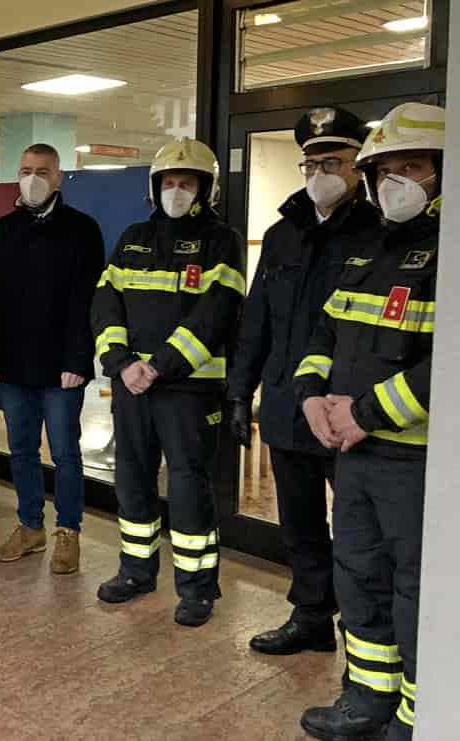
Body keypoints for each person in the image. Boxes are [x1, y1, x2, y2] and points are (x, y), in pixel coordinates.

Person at [296, 102, 443, 741]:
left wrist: (363, 413)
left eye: (411, 167)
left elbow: (447, 364)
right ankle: (367, 700)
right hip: (353, 455)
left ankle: (417, 716)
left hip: (417, 462)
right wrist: (309, 394)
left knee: (415, 593)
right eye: (384, 170)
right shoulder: (368, 251)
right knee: (358, 576)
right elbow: (324, 332)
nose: (394, 182)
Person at [227, 107, 376, 656]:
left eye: (332, 161)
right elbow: (256, 323)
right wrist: (240, 393)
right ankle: (311, 615)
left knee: (363, 533)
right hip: (290, 408)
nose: (319, 174)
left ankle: (366, 634)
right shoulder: (281, 235)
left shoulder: (380, 234)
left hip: (353, 414)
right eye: (310, 163)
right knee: (301, 524)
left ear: (359, 167)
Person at [91, 137, 245, 627]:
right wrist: (120, 364)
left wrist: (158, 366)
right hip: (132, 386)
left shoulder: (221, 241)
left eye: (187, 182)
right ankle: (136, 571)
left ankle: (198, 587)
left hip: (188, 391)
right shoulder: (133, 237)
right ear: (155, 187)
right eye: (169, 183)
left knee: (187, 488)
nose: (177, 191)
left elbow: (216, 314)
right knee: (132, 480)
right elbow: (106, 302)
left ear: (205, 189)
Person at [0, 143, 104, 575]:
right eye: (26, 169)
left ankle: (68, 531)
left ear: (59, 177)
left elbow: (86, 301)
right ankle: (29, 526)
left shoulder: (82, 230)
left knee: (66, 452)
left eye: (43, 171)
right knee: (21, 450)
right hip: (13, 364)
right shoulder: (3, 229)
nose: (33, 178)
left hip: (62, 368)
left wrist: (79, 360)